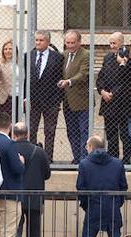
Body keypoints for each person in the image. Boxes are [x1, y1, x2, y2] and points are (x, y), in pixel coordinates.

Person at [77, 135, 126, 237]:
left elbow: (81, 188)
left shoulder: (84, 164)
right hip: (112, 208)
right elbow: (123, 187)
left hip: (93, 208)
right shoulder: (117, 164)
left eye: (87, 146)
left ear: (90, 146)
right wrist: (117, 203)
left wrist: (87, 205)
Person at [0, 111, 24, 237]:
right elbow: (17, 169)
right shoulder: (10, 145)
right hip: (10, 195)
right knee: (7, 234)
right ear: (9, 126)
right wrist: (21, 162)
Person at [12, 121, 51, 237]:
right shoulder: (39, 152)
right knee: (34, 234)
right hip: (35, 198)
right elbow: (47, 174)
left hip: (15, 197)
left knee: (16, 233)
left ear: (14, 134)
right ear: (28, 134)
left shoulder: (10, 150)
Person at [27, 30, 63, 160]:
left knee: (50, 131)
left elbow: (60, 78)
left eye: (41, 40)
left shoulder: (58, 58)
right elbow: (26, 79)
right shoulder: (28, 56)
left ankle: (48, 158)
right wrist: (27, 97)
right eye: (36, 40)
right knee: (31, 129)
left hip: (51, 101)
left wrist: (57, 100)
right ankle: (31, 156)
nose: (38, 42)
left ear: (47, 42)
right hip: (33, 101)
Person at [96, 33, 130, 163]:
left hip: (122, 103)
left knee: (124, 133)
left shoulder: (128, 57)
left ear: (121, 43)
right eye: (110, 43)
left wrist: (113, 93)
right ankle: (112, 157)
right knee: (110, 132)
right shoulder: (108, 58)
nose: (112, 46)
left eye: (114, 43)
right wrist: (103, 91)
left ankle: (127, 159)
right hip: (108, 103)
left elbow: (125, 80)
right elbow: (101, 77)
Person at [58, 30, 90, 165]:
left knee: (84, 131)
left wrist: (69, 81)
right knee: (71, 131)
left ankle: (83, 158)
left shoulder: (85, 55)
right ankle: (76, 157)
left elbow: (83, 73)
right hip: (67, 100)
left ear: (79, 42)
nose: (70, 45)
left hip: (82, 100)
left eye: (72, 42)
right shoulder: (63, 55)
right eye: (67, 42)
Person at [0, 40, 15, 119]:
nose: (8, 51)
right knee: (2, 121)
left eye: (10, 49)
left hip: (15, 96)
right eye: (5, 49)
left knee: (15, 120)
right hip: (3, 96)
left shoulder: (19, 63)